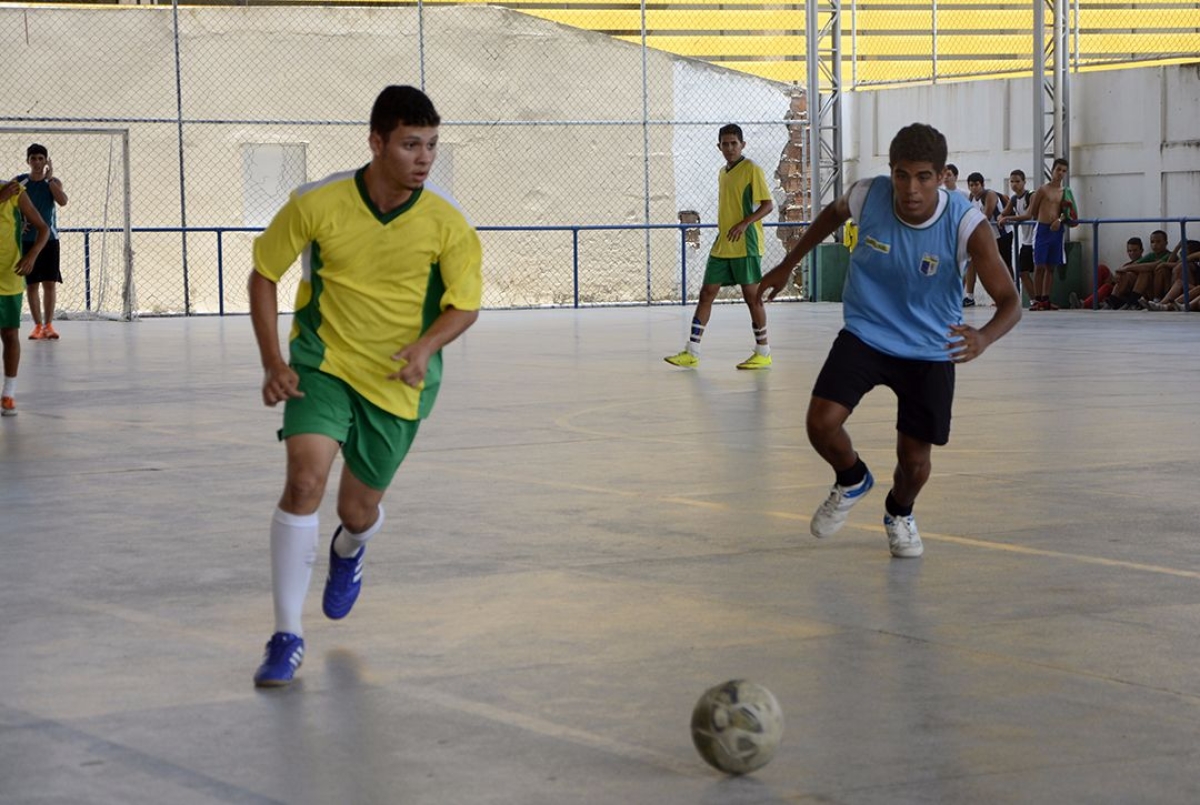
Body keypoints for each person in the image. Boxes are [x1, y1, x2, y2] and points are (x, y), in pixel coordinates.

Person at [247, 86, 483, 687]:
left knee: (356, 510)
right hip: (323, 365)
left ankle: (350, 549)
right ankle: (285, 635)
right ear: (376, 142)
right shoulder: (317, 202)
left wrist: (425, 348)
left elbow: (465, 305)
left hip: (398, 380)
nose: (424, 158)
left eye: (431, 145)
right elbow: (264, 274)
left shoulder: (447, 221)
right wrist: (274, 361)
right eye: (410, 145)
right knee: (304, 482)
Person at [758, 123, 1020, 558]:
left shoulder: (965, 223)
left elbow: (1011, 301)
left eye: (923, 177)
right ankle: (852, 478)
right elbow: (832, 215)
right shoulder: (869, 195)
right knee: (820, 423)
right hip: (868, 332)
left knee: (914, 463)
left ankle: (899, 511)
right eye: (901, 175)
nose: (911, 188)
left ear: (942, 177)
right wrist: (788, 264)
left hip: (930, 347)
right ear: (891, 171)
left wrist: (985, 337)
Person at [665, 124, 775, 370]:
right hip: (723, 243)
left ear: (743, 145)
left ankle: (763, 351)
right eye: (725, 144)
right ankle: (692, 351)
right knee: (706, 293)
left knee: (752, 298)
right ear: (719, 147)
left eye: (734, 143)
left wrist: (744, 224)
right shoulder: (722, 172)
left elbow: (768, 205)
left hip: (745, 244)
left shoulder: (752, 169)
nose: (730, 148)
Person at [0, 179, 50, 416]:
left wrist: (31, 255)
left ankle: (9, 394)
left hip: (9, 277)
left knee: (10, 334)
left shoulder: (14, 191)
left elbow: (43, 228)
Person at [1007, 158, 1076, 310]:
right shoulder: (1043, 190)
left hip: (1056, 231)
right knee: (1039, 266)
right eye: (1058, 169)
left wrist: (1059, 220)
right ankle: (1037, 300)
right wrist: (1008, 218)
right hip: (1042, 230)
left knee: (1051, 267)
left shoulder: (1064, 191)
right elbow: (1030, 213)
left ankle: (1046, 299)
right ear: (1052, 170)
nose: (1060, 173)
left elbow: (1066, 212)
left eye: (1064, 171)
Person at [16, 144, 68, 340]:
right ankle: (37, 325)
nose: (37, 162)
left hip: (50, 240)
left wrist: (50, 181)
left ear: (46, 161)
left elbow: (62, 201)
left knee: (49, 284)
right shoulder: (20, 181)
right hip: (27, 240)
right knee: (31, 285)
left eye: (40, 158)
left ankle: (49, 325)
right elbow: (8, 204)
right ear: (28, 161)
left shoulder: (53, 182)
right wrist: (18, 223)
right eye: (33, 158)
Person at [962, 171, 1006, 307]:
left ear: (982, 185)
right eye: (971, 185)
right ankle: (969, 296)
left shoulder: (990, 195)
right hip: (983, 236)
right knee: (971, 262)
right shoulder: (971, 197)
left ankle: (1006, 295)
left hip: (1001, 235)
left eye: (976, 185)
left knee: (1003, 265)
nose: (974, 188)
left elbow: (986, 215)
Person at [1102, 231, 1170, 309]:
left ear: (1166, 243)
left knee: (1145, 272)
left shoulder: (1169, 255)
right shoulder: (1151, 255)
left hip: (1158, 293)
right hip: (1140, 291)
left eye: (1158, 242)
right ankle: (1113, 301)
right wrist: (1119, 271)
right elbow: (1135, 264)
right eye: (1152, 242)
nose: (1155, 245)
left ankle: (1132, 302)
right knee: (1126, 275)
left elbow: (1152, 266)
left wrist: (1126, 268)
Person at [998, 169, 1035, 300]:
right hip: (1026, 241)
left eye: (1018, 181)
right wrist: (1001, 217)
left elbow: (1028, 215)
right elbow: (1003, 213)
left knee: (1040, 271)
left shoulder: (1031, 195)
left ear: (1024, 182)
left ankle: (1042, 300)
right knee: (1022, 273)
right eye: (1012, 181)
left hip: (1036, 238)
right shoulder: (1014, 199)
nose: (1014, 184)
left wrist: (1008, 218)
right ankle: (1033, 300)